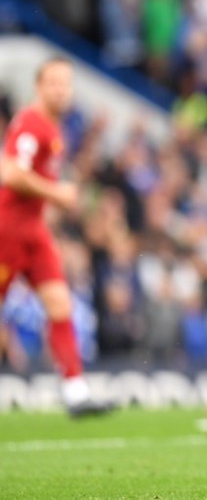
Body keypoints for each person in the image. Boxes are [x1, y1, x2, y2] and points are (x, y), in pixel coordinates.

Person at [0, 56, 115, 417]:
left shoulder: (55, 128)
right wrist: (56, 194)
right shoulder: (30, 123)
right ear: (39, 87)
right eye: (54, 83)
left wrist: (56, 199)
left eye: (66, 83)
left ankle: (76, 392)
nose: (61, 89)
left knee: (60, 305)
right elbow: (9, 173)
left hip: (34, 232)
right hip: (7, 231)